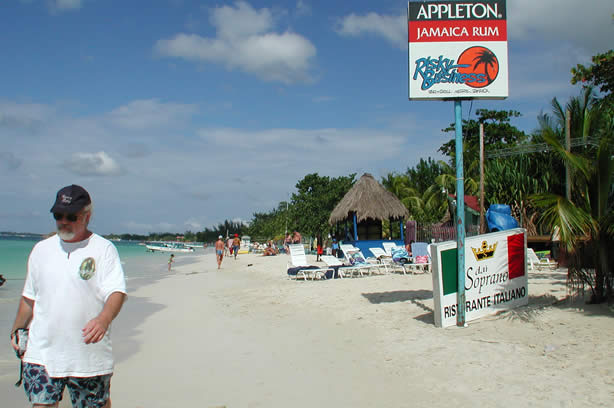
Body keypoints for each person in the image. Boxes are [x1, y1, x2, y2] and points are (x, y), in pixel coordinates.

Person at [10, 184, 126, 408]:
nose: (64, 221)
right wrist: (17, 330)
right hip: (41, 351)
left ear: (87, 216)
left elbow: (116, 292)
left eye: (71, 217)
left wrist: (103, 320)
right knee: (41, 405)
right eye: (58, 215)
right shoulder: (40, 250)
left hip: (87, 354)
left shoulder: (103, 249)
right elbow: (29, 299)